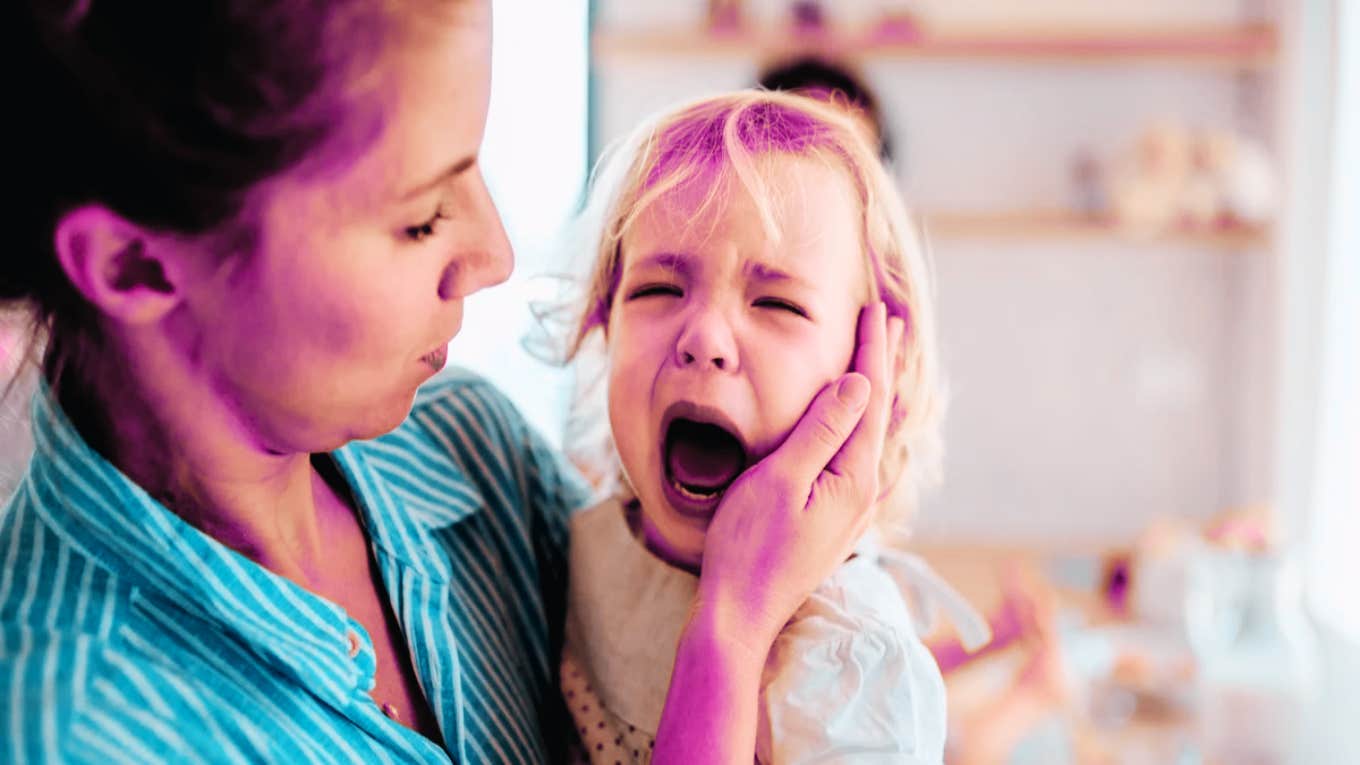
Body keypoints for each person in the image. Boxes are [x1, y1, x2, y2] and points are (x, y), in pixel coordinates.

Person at [0, 3, 894, 763]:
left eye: (475, 167)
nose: (495, 254)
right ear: (135, 264)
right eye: (422, 217)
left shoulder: (469, 447)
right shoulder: (79, 731)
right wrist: (729, 632)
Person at [554, 90, 986, 763]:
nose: (703, 338)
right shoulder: (577, 540)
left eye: (778, 303)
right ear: (603, 324)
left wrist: (734, 622)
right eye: (657, 290)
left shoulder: (850, 662)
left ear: (875, 370)